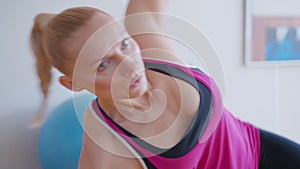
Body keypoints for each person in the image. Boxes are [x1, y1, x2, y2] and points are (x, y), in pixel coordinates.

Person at [30, 1, 300, 168]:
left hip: (261, 149)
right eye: (104, 64)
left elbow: (145, 5)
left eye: (124, 43)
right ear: (74, 83)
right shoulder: (106, 146)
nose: (130, 63)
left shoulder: (153, 54)